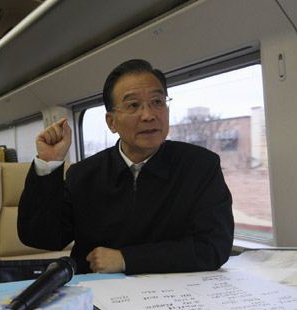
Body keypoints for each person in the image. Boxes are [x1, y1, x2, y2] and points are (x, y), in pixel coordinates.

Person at [17, 59, 234, 275]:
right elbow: (41, 237)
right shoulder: (84, 175)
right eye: (133, 105)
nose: (149, 115)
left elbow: (213, 247)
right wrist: (49, 164)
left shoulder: (200, 166)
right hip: (99, 293)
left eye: (157, 102)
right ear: (111, 122)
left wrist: (126, 259)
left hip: (177, 293)